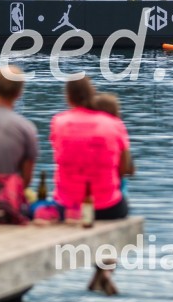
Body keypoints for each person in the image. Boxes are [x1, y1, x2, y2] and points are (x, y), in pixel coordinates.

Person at [50, 77, 133, 220]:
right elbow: (125, 168)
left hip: (67, 206)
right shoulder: (114, 123)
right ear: (92, 94)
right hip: (108, 207)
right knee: (121, 190)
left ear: (68, 97)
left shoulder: (59, 122)